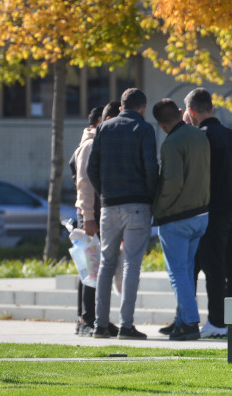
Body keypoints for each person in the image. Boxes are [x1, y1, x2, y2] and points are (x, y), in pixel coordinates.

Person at [184, 88, 232, 339]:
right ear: (212, 108)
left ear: (191, 112)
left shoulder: (200, 137)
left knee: (214, 267)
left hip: (213, 211)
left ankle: (217, 321)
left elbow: (197, 179)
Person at [88, 88, 158, 340]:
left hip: (109, 205)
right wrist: (153, 198)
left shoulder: (104, 129)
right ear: (143, 108)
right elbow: (151, 169)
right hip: (137, 204)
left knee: (106, 265)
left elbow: (90, 168)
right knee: (131, 265)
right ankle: (126, 325)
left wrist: (104, 192)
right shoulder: (144, 129)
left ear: (121, 108)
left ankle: (100, 324)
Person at [151, 98, 211, 341]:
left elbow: (172, 183)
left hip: (177, 218)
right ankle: (182, 320)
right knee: (186, 272)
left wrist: (159, 210)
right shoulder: (200, 136)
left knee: (178, 274)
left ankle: (188, 322)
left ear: (161, 125)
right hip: (201, 214)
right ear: (179, 112)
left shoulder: (171, 143)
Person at [69, 104, 104, 338]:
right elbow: (84, 183)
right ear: (97, 122)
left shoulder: (96, 143)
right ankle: (85, 318)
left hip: (96, 213)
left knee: (97, 267)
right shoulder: (90, 144)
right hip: (90, 215)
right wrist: (88, 217)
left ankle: (96, 317)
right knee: (90, 268)